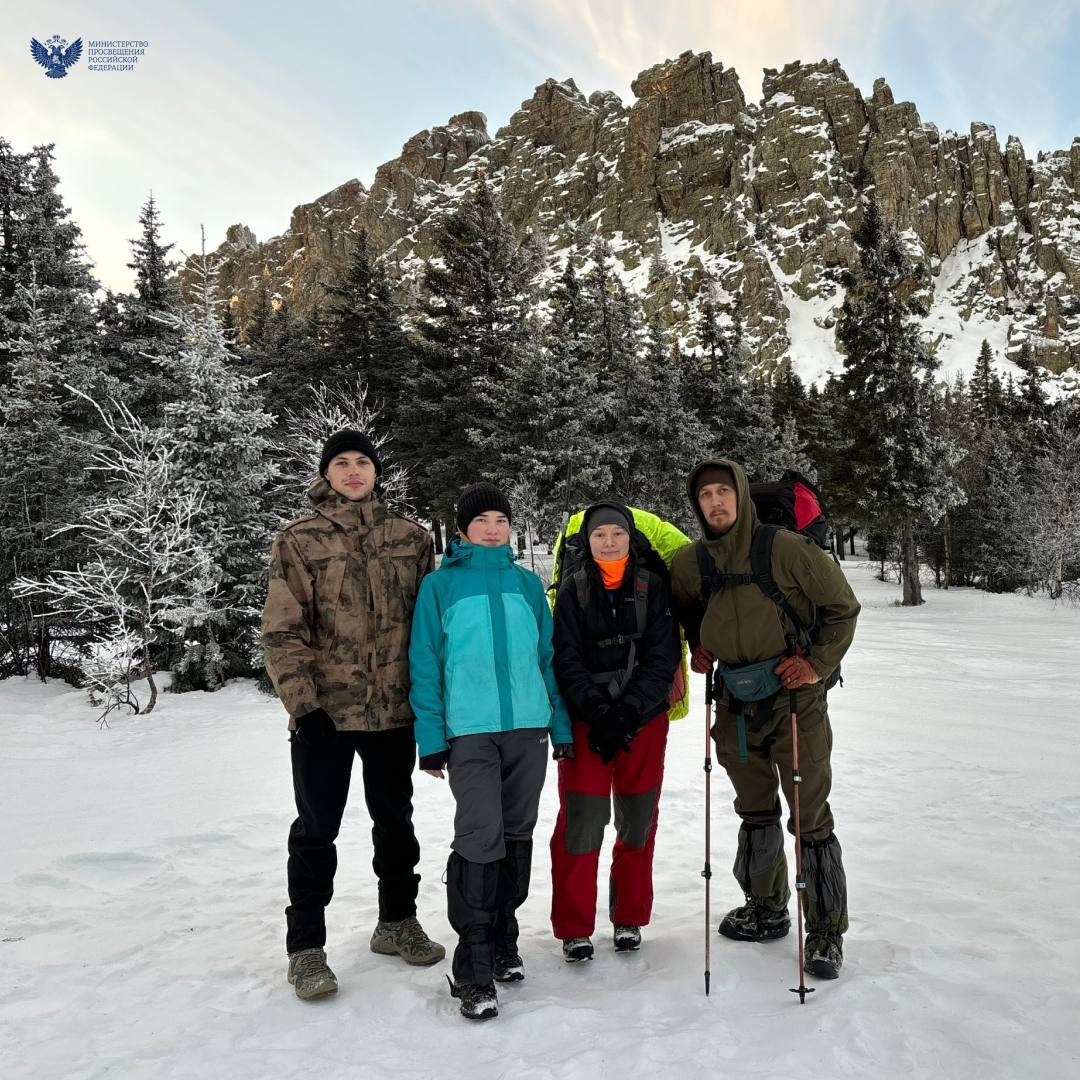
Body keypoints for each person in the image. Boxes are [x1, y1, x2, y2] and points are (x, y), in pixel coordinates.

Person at [262, 429, 445, 1002]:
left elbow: (428, 629)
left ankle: (396, 922)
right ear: (327, 473)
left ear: (376, 472)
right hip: (326, 716)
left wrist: (429, 703)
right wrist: (304, 703)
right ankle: (306, 949)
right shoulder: (299, 539)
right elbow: (282, 629)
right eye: (341, 462)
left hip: (393, 711)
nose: (352, 471)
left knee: (396, 822)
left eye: (362, 461)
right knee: (316, 828)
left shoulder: (411, 538)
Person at [670, 459, 860, 979]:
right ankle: (767, 908)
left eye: (723, 492)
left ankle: (824, 932)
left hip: (794, 698)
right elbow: (685, 609)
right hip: (733, 699)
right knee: (754, 809)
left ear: (742, 497)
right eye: (705, 495)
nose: (715, 502)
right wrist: (700, 644)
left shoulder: (785, 549)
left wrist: (816, 664)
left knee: (809, 814)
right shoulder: (691, 563)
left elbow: (843, 608)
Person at [409, 482, 572, 1021]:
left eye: (501, 519)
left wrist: (561, 724)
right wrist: (431, 738)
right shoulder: (440, 588)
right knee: (481, 836)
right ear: (462, 530)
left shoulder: (528, 586)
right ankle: (472, 965)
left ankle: (504, 939)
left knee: (518, 833)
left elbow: (548, 660)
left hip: (528, 729)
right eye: (482, 520)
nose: (493, 528)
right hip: (471, 733)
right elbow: (426, 664)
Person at [549, 501, 682, 961]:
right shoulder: (572, 591)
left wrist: (627, 713)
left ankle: (629, 917)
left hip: (642, 723)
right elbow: (564, 658)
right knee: (582, 822)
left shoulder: (654, 588)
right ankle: (573, 926)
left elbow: (663, 658)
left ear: (630, 538)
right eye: (599, 535)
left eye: (617, 534)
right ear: (586, 542)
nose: (609, 542)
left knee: (638, 820)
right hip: (588, 725)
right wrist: (598, 712)